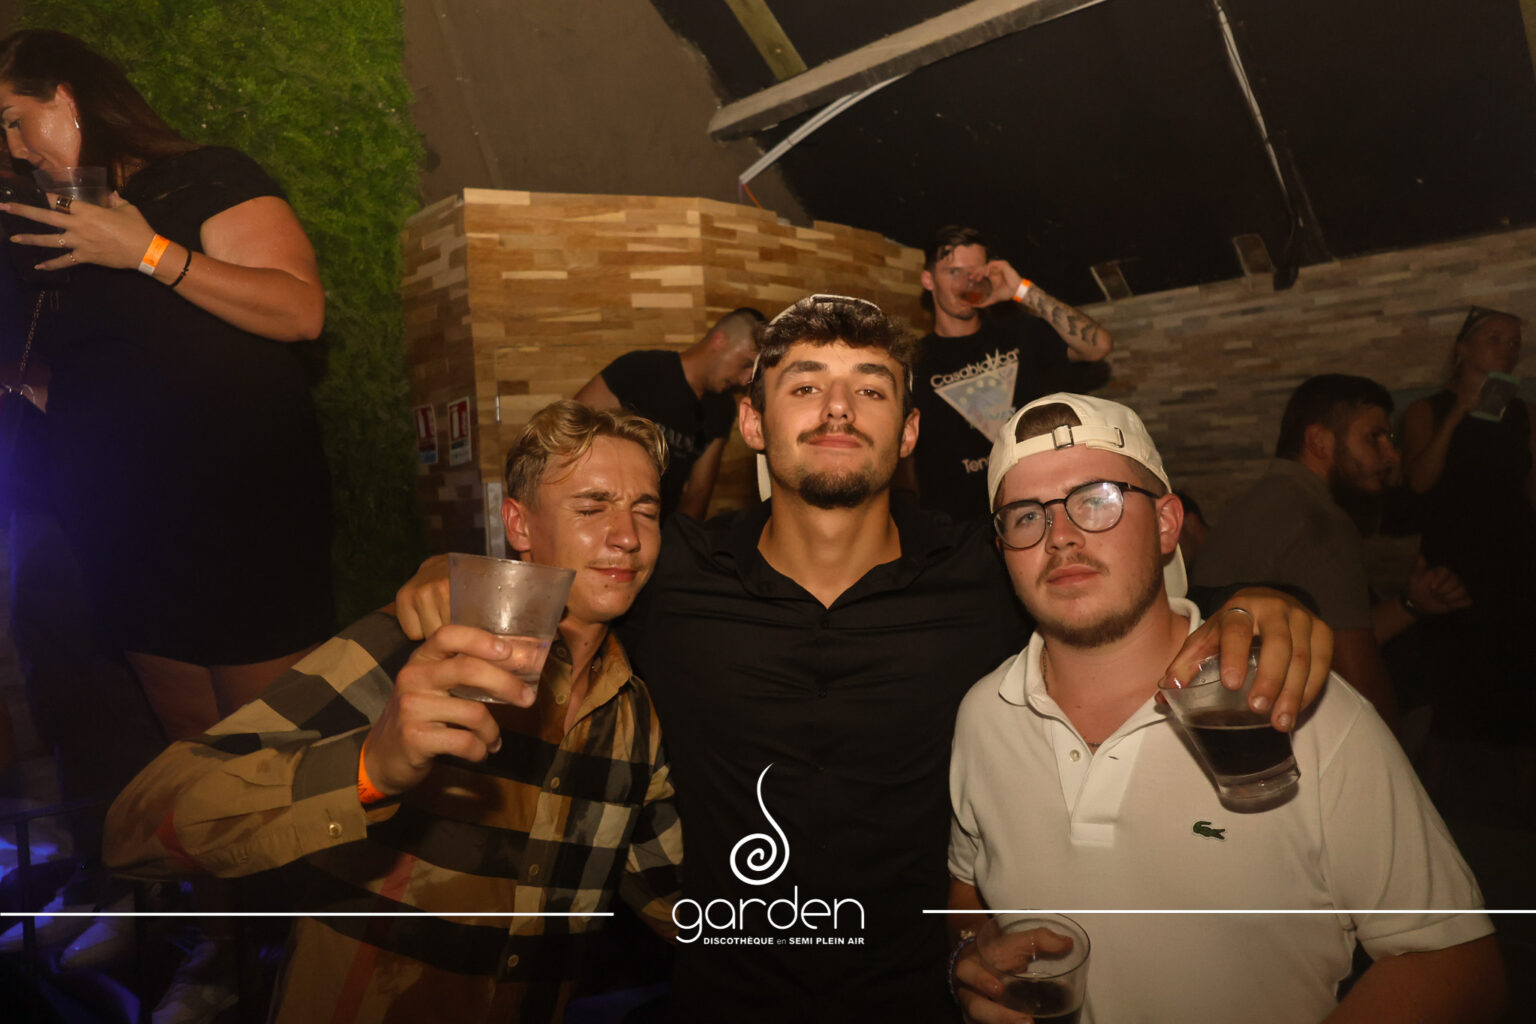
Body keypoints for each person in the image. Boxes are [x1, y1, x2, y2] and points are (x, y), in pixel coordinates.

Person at [397, 295, 1330, 1022]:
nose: (838, 407)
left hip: (934, 1000)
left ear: (909, 430)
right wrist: (451, 574)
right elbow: (558, 554)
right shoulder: (670, 573)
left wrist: (1257, 603)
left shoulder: (989, 572)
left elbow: (1129, 592)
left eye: (872, 389)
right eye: (805, 385)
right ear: (753, 424)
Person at [104, 401, 684, 1023]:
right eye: (592, 508)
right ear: (519, 524)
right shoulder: (415, 650)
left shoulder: (630, 716)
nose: (627, 536)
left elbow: (679, 904)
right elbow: (135, 830)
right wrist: (367, 769)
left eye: (645, 511)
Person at [949, 392, 1506, 1024]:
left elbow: (1457, 967)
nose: (1061, 536)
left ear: (1167, 524)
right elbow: (967, 890)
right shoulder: (983, 716)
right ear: (1003, 549)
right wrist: (970, 956)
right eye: (1026, 516)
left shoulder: (1296, 704)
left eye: (1097, 499)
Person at [0, 30, 334, 740]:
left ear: (66, 97)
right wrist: (30, 386)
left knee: (271, 755)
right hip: (128, 530)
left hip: (238, 515)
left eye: (15, 121)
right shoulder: (54, 224)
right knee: (195, 760)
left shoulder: (204, 178)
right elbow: (112, 367)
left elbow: (299, 310)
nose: (15, 148)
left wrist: (146, 251)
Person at [1193, 374, 1472, 727]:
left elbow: (1331, 635)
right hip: (1281, 728)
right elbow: (1363, 688)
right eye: (1374, 437)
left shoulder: (1263, 499)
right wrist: (1392, 750)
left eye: (1390, 439)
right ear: (1319, 441)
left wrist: (1411, 604)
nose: (1392, 455)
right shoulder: (1317, 520)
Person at [904, 225, 1112, 519]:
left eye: (975, 272)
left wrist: (1021, 290)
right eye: (954, 272)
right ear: (928, 279)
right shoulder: (913, 361)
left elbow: (1098, 346)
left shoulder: (1018, 333)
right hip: (958, 527)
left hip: (1036, 509)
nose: (967, 282)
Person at [1399, 307, 1536, 743]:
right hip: (1453, 559)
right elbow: (1419, 482)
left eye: (1514, 343)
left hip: (1516, 556)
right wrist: (1458, 414)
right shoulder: (1426, 410)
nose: (1507, 349)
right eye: (1495, 338)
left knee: (1518, 674)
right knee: (1456, 681)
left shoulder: (1525, 413)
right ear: (1462, 348)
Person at [574, 307, 763, 520]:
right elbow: (569, 430)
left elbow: (698, 493)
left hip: (659, 529)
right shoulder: (640, 370)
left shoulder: (722, 407)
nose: (745, 380)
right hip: (601, 518)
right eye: (747, 364)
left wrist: (679, 539)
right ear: (720, 340)